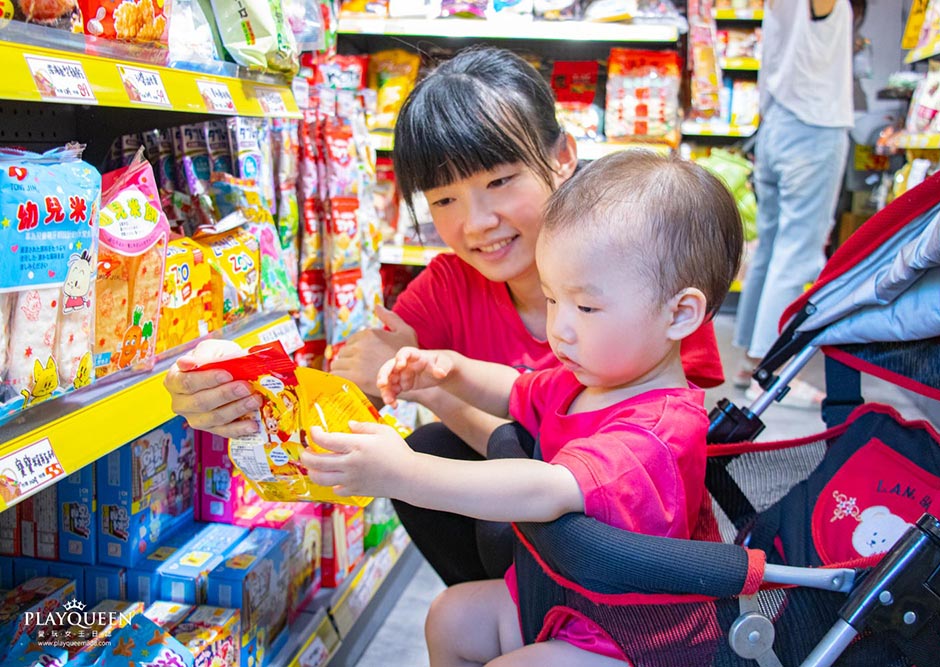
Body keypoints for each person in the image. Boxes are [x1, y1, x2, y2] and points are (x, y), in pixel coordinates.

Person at [162, 46, 726, 586]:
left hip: (634, 578)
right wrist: (237, 394)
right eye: (444, 200)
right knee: (437, 460)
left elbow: (638, 465)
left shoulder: (653, 286)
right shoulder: (447, 287)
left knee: (458, 466)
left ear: (562, 157)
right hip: (530, 584)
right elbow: (340, 394)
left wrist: (437, 398)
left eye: (499, 181)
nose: (476, 222)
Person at [301, 150, 744, 667]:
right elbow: (516, 390)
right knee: (453, 615)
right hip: (567, 596)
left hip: (636, 636)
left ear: (681, 313)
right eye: (554, 299)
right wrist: (452, 370)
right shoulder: (588, 380)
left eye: (586, 306)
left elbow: (544, 488)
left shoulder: (657, 432)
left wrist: (404, 472)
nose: (561, 327)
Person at [732, 0, 856, 407]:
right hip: (813, 126)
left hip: (776, 124)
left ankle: (752, 359)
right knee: (797, 251)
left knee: (770, 247)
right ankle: (770, 372)